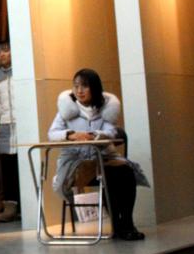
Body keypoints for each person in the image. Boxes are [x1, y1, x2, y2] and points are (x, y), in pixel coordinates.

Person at [47, 68, 148, 240]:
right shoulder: (66, 110)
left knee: (125, 172)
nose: (79, 90)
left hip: (102, 157)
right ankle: (118, 225)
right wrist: (71, 135)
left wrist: (95, 135)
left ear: (94, 87)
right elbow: (52, 134)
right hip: (75, 162)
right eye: (76, 86)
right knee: (108, 175)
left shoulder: (106, 109)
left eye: (84, 86)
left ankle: (126, 224)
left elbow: (111, 132)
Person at [0, 40, 19, 222]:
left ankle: (26, 205)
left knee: (22, 163)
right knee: (8, 166)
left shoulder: (22, 72)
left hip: (23, 123)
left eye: (6, 51)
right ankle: (10, 208)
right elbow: (1, 103)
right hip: (6, 124)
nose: (2, 55)